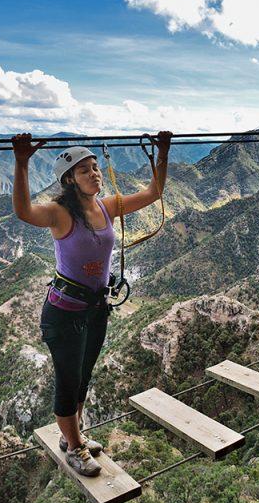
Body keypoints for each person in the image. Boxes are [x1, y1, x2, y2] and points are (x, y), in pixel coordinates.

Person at [11, 131, 171, 477]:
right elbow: (23, 211)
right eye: (85, 171)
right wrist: (21, 161)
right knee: (68, 381)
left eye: (96, 167)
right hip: (65, 313)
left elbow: (153, 193)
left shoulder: (107, 206)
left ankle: (74, 437)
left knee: (83, 377)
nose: (94, 174)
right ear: (69, 180)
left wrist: (162, 152)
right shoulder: (59, 213)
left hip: (96, 309)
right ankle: (73, 447)